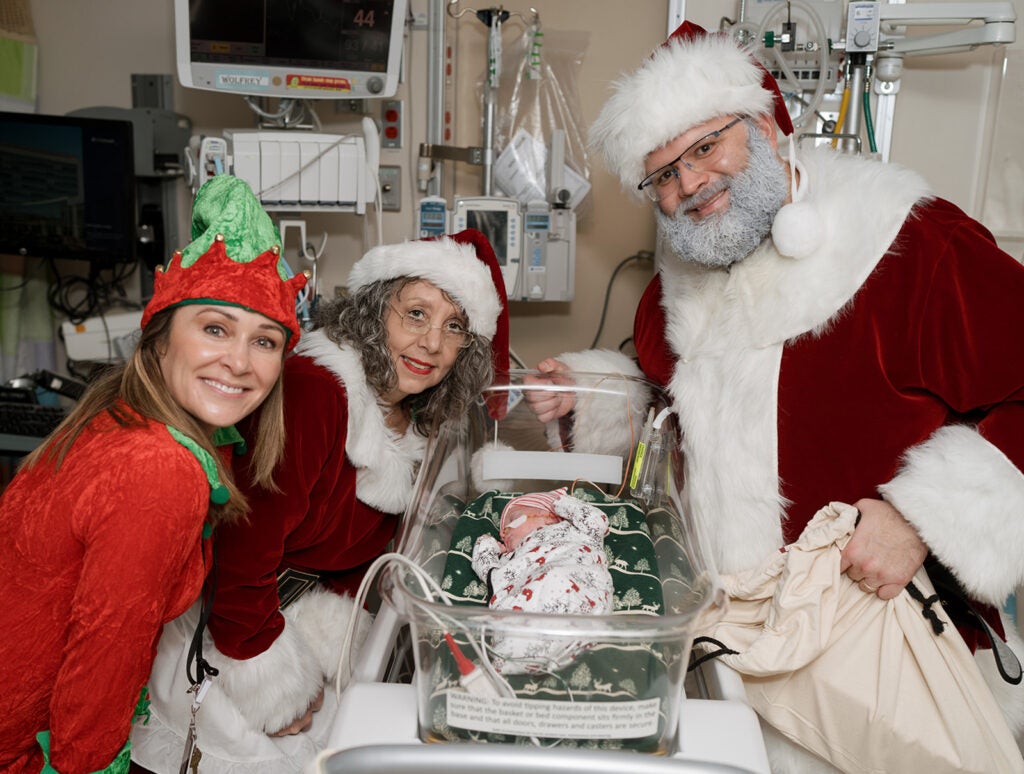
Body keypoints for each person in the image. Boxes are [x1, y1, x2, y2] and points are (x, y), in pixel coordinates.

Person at [528, 20, 1024, 772]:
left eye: (705, 147)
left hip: (883, 661)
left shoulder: (912, 247)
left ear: (763, 124)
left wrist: (923, 519)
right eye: (662, 173)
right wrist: (590, 399)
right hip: (732, 658)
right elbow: (679, 420)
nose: (688, 184)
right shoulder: (680, 287)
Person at [130, 229, 510, 772]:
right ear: (376, 312)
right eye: (416, 314)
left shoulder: (419, 420)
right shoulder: (318, 391)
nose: (432, 343)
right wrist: (273, 683)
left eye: (455, 327)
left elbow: (361, 557)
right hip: (233, 628)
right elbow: (242, 546)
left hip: (304, 621)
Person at [0, 175, 308, 774]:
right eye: (215, 329)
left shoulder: (123, 418)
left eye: (265, 341)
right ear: (161, 339)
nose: (239, 362)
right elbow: (104, 654)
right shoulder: (159, 468)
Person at [472, 487, 615, 616]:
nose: (503, 533)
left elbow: (597, 521)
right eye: (503, 530)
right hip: (527, 609)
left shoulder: (576, 532)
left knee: (557, 578)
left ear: (547, 516)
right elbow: (487, 568)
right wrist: (488, 545)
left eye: (513, 519)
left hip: (582, 589)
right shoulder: (511, 559)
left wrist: (560, 503)